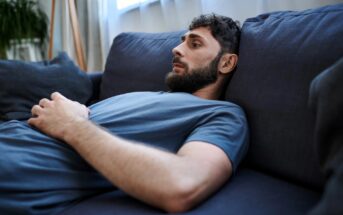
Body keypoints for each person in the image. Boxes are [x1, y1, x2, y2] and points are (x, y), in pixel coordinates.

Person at [0, 14, 248, 214]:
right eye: (181, 41)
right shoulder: (151, 96)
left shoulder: (224, 115)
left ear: (226, 63)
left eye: (194, 43)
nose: (176, 49)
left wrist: (71, 124)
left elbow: (182, 185)